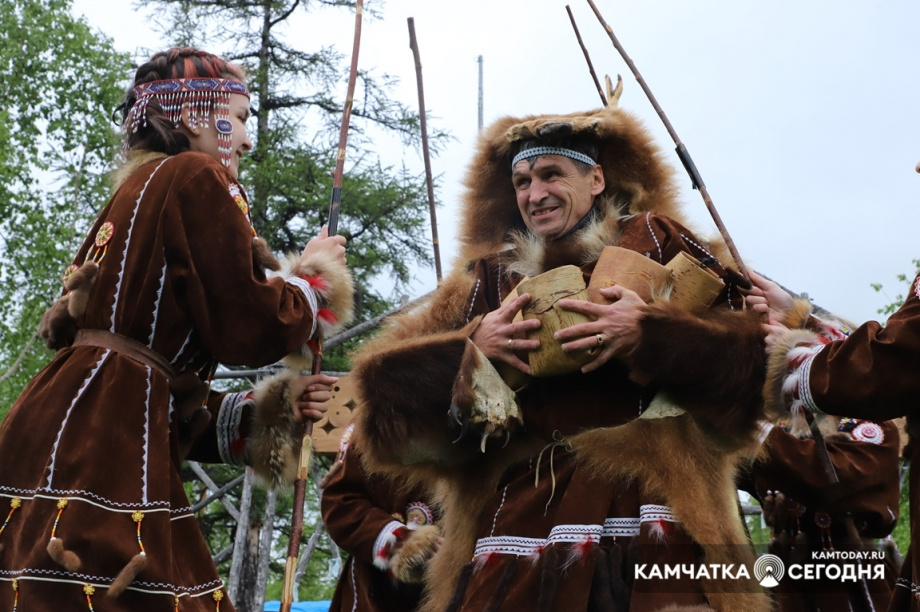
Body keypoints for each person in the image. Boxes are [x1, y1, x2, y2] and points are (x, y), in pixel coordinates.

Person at [347, 80, 771, 612]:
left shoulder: (658, 241)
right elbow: (383, 407)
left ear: (596, 179)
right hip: (518, 515)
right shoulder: (486, 278)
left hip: (652, 498)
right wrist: (469, 350)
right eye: (522, 181)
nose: (535, 194)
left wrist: (652, 333)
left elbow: (757, 367)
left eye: (552, 174)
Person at [0, 47, 353, 611]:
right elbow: (249, 325)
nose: (247, 139)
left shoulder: (133, 191)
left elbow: (153, 381)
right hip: (102, 439)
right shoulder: (195, 172)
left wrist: (268, 413)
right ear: (193, 117)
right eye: (239, 118)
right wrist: (314, 280)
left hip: (68, 423)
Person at [748, 266, 920, 611]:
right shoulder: (786, 432)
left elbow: (824, 476)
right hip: (791, 587)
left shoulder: (874, 429)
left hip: (853, 590)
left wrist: (741, 426)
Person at [740, 413, 901, 611]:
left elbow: (826, 476)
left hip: (855, 582)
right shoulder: (777, 428)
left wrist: (744, 422)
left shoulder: (873, 426)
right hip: (788, 584)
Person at [321, 425, 442, 612]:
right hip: (376, 591)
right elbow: (340, 503)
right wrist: (401, 541)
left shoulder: (477, 423)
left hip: (457, 585)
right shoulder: (369, 427)